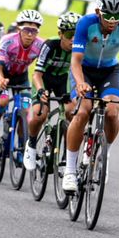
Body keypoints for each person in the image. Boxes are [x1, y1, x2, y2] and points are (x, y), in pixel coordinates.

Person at [62, 0, 119, 193]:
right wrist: (79, 83)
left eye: (117, 16)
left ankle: (103, 155)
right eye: (108, 16)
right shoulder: (86, 24)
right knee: (83, 110)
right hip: (84, 69)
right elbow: (75, 61)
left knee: (113, 111)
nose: (112, 20)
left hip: (109, 71)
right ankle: (70, 170)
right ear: (98, 12)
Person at [23, 11, 80, 170]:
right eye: (69, 34)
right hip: (44, 80)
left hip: (63, 80)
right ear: (60, 34)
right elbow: (37, 74)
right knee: (40, 114)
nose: (73, 39)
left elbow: (79, 74)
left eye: (77, 34)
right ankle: (31, 145)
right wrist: (40, 90)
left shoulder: (79, 49)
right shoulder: (49, 45)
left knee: (72, 112)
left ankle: (66, 155)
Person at [0, 9, 46, 150]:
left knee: (25, 111)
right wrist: (0, 79)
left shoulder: (40, 45)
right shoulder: (8, 40)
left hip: (22, 78)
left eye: (34, 31)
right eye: (26, 30)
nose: (30, 34)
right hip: (3, 75)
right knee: (3, 102)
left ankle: (20, 148)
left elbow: (42, 69)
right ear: (18, 28)